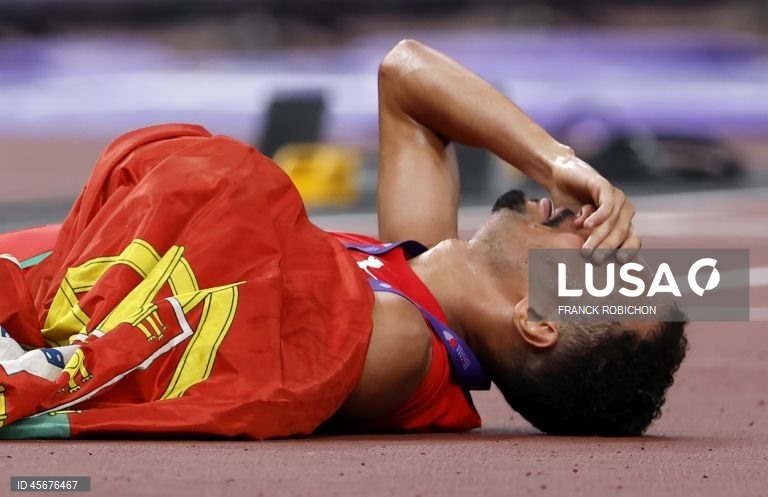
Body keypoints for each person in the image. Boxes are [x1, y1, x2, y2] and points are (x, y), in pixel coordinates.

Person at [0, 40, 686, 439]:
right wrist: (556, 158)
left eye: (597, 254)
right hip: (37, 266)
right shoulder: (413, 277)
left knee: (241, 180)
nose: (585, 219)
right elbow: (405, 73)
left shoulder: (397, 344)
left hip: (24, 300)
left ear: (536, 319)